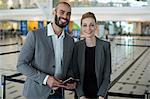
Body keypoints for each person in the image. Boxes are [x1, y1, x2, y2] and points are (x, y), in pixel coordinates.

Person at [17, 2, 76, 99]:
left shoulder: (70, 41)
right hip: (36, 94)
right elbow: (21, 64)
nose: (65, 16)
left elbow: (68, 66)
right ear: (54, 12)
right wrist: (45, 79)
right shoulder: (35, 35)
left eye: (68, 14)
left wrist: (70, 80)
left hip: (58, 93)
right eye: (62, 12)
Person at [72, 12, 112, 99]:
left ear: (96, 26)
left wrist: (101, 96)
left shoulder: (105, 46)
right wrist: (81, 95)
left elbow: (107, 74)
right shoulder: (76, 46)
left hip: (100, 95)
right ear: (81, 27)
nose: (88, 28)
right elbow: (75, 75)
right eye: (85, 25)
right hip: (81, 95)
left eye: (91, 25)